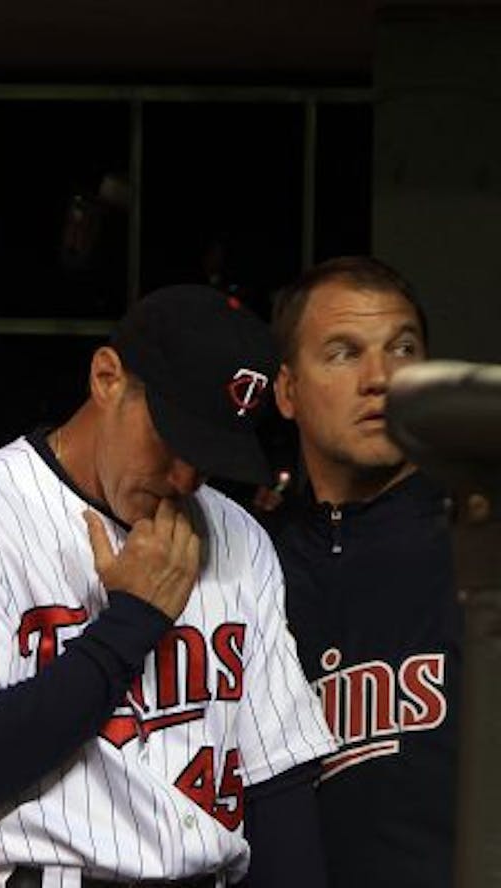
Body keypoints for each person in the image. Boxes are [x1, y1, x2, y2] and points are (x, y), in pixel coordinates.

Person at [0, 285, 335, 888]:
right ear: (107, 378)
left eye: (208, 454)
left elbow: (278, 788)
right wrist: (130, 623)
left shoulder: (236, 534)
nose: (186, 475)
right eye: (172, 439)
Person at [268, 256, 460, 888]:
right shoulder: (247, 562)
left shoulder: (476, 547)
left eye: (402, 348)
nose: (380, 378)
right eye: (344, 353)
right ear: (288, 392)